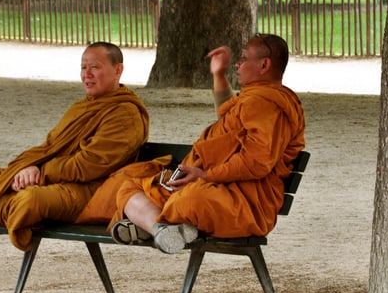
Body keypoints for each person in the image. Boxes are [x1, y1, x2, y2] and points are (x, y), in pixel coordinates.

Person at [110, 33, 306, 254]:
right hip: (219, 188)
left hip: (247, 203)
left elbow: (257, 162)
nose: (238, 64)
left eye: (243, 58)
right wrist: (218, 74)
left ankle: (150, 224)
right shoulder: (256, 97)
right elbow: (229, 114)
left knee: (189, 201)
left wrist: (205, 176)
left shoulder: (269, 104)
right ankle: (162, 229)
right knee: (130, 187)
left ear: (264, 64)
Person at [0, 42, 150, 252]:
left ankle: (17, 213)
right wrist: (28, 168)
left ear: (118, 70)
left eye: (95, 67)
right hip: (55, 181)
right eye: (83, 67)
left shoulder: (125, 114)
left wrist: (40, 174)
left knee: (30, 198)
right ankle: (22, 217)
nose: (86, 74)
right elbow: (49, 147)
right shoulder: (80, 107)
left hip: (91, 192)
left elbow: (88, 165)